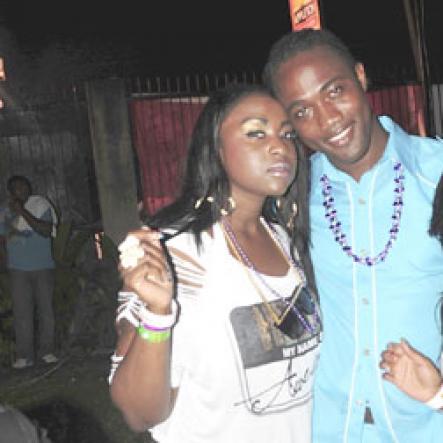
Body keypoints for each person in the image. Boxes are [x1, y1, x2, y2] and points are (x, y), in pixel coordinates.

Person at [109, 83, 322, 443]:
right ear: (217, 150)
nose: (280, 146)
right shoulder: (173, 251)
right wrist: (158, 313)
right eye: (256, 132)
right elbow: (139, 413)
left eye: (287, 134)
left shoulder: (287, 242)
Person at [263, 29, 443, 442]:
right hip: (331, 429)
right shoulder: (291, 201)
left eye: (334, 91)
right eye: (303, 111)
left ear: (361, 77)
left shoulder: (436, 177)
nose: (328, 120)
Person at [0, 175, 59, 369]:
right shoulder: (4, 211)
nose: (22, 190)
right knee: (22, 313)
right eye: (17, 188)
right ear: (11, 192)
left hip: (42, 266)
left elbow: (45, 230)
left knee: (46, 311)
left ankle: (47, 351)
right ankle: (24, 355)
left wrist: (22, 211)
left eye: (25, 186)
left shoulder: (40, 205)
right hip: (17, 269)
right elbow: (3, 239)